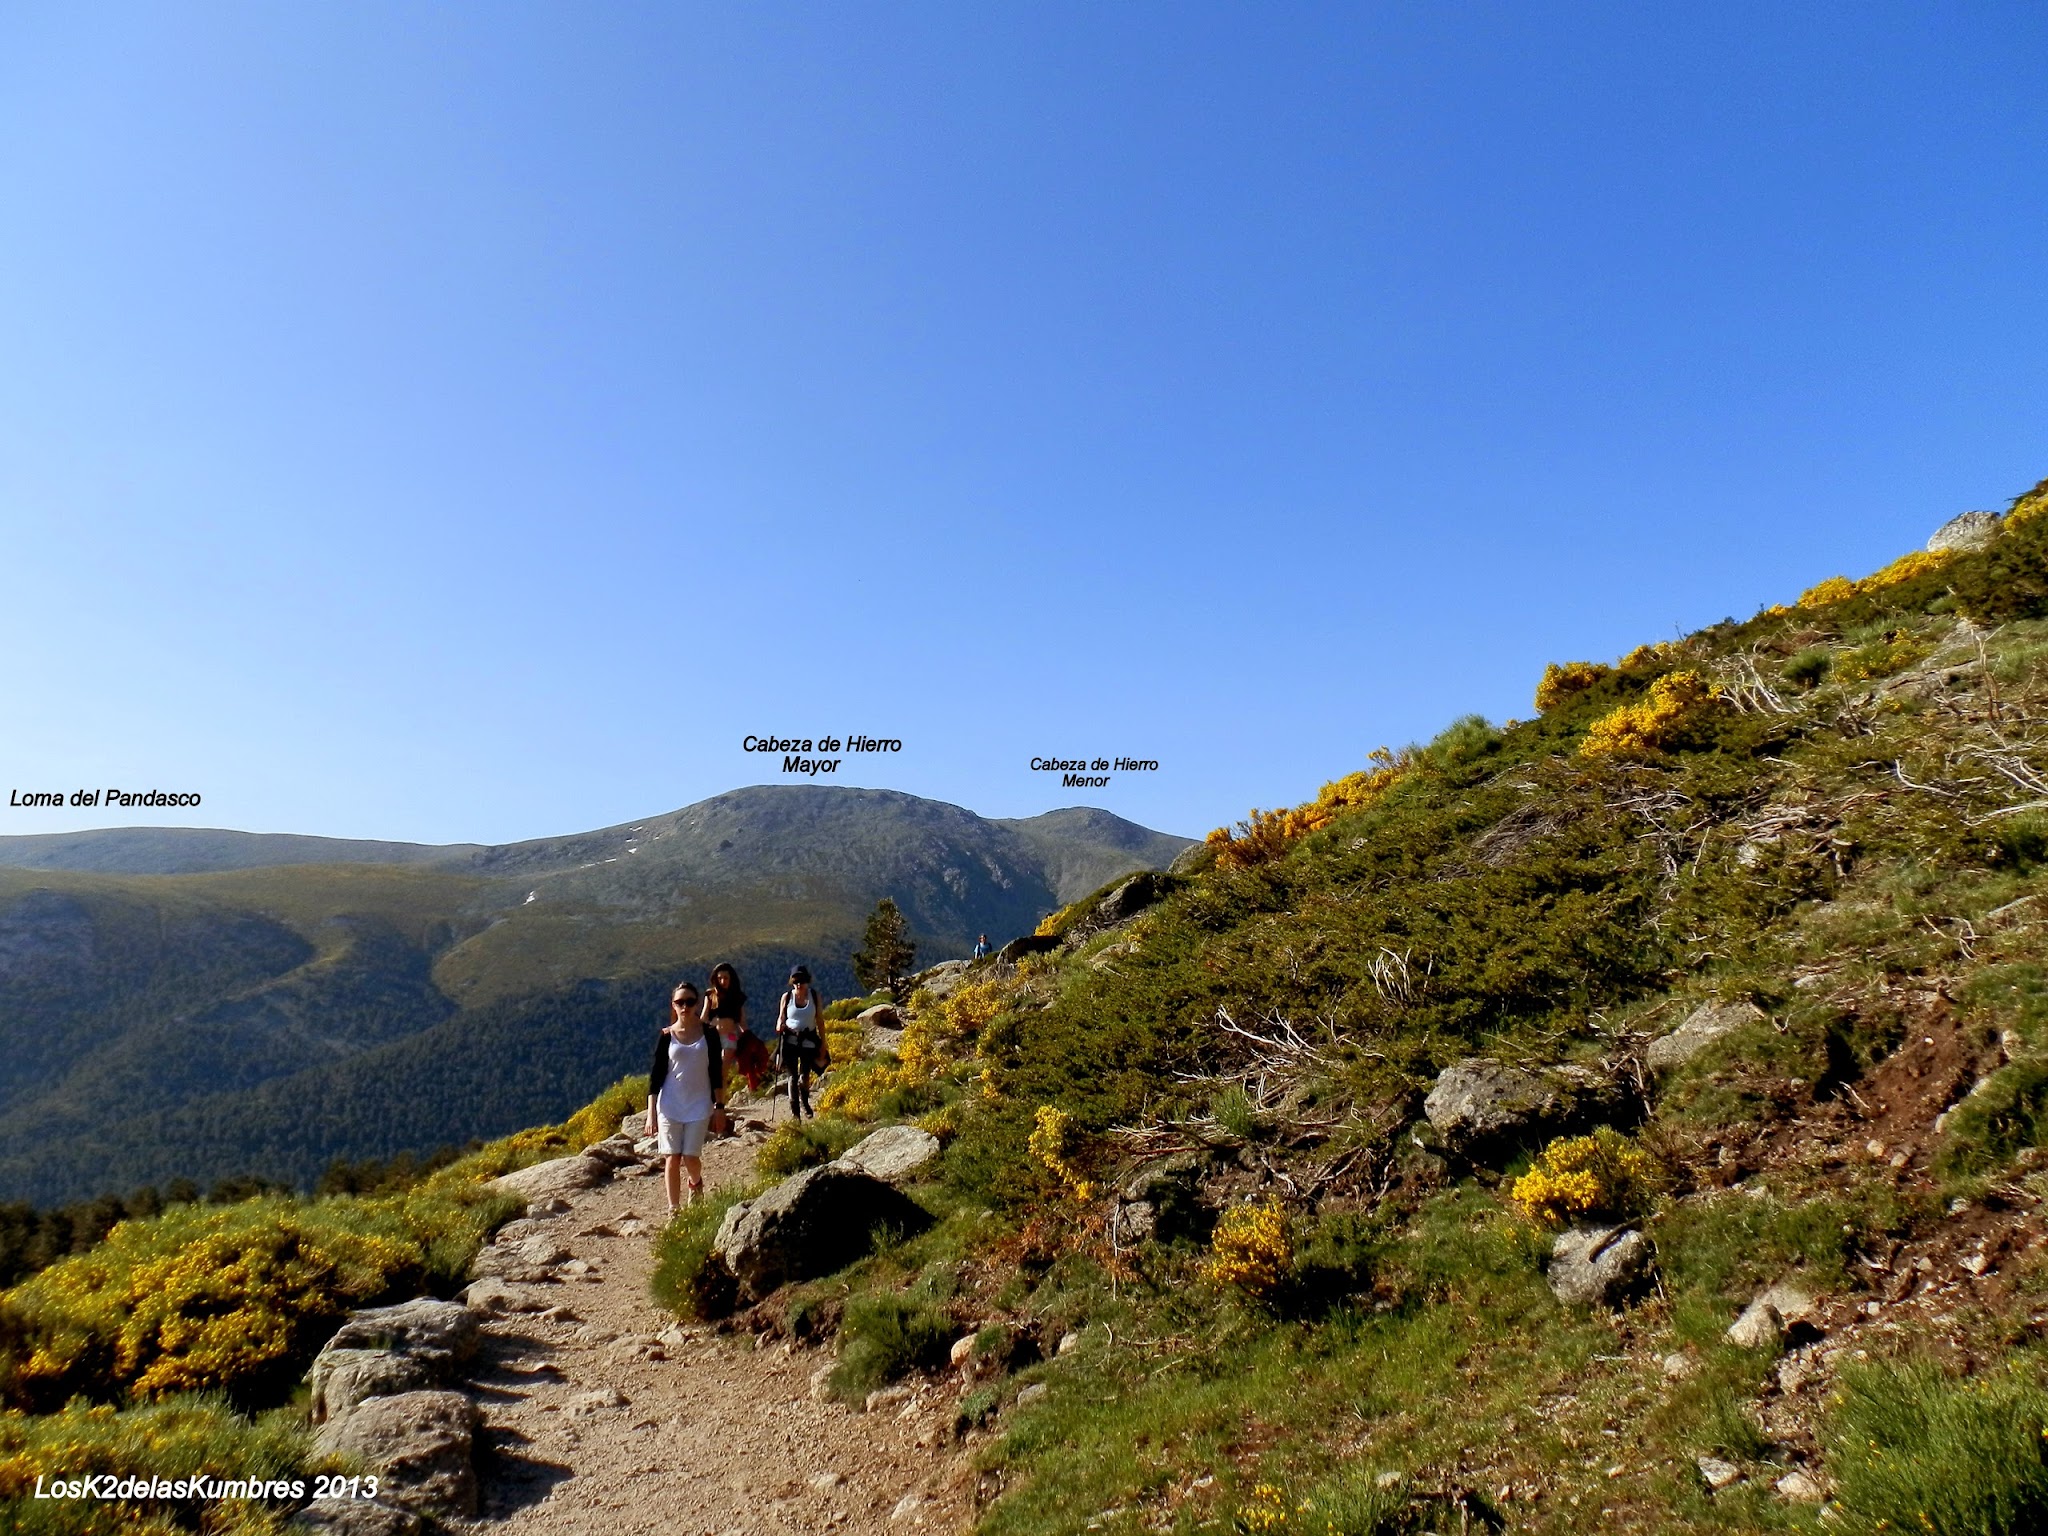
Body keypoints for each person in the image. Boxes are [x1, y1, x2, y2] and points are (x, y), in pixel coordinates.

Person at [643, 980, 724, 1216]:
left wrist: (720, 1106)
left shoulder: (709, 1034)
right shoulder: (666, 1036)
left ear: (697, 1003)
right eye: (680, 1002)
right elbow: (655, 1078)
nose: (685, 1006)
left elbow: (716, 1073)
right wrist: (651, 1115)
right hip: (669, 1105)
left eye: (689, 1001)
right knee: (672, 1157)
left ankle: (696, 1183)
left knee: (691, 1157)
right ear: (673, 1005)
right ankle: (673, 1210)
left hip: (699, 1105)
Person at [776, 966, 828, 1120]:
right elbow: (781, 1017)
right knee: (792, 1076)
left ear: (807, 981)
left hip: (809, 1040)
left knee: (804, 1076)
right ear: (792, 982)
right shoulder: (786, 997)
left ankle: (804, 1102)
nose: (799, 984)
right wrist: (779, 1024)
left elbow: (819, 1020)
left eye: (802, 981)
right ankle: (796, 1113)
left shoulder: (814, 996)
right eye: (796, 981)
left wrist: (823, 1043)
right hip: (790, 1040)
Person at [703, 963, 748, 1122]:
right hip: (713, 1037)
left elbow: (741, 1021)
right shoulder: (710, 995)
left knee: (722, 1069)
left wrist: (747, 1037)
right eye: (720, 978)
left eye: (726, 978)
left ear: (731, 979)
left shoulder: (737, 997)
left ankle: (719, 1104)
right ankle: (714, 1101)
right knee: (712, 1071)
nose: (723, 981)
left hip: (729, 1036)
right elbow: (704, 1017)